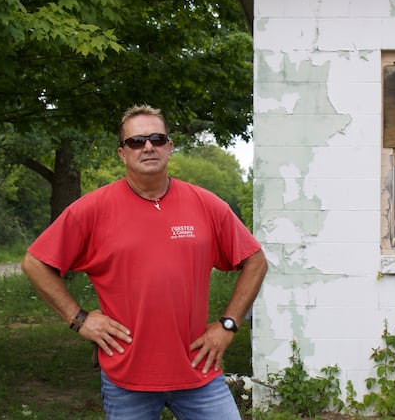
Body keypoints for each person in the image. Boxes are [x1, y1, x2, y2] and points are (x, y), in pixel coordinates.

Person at [21, 104, 268, 419]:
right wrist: (79, 318)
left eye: (157, 138)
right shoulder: (93, 210)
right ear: (122, 154)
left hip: (198, 371)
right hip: (127, 378)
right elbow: (34, 263)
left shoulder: (206, 204)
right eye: (136, 141)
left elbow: (255, 260)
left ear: (169, 146)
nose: (148, 146)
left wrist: (228, 325)